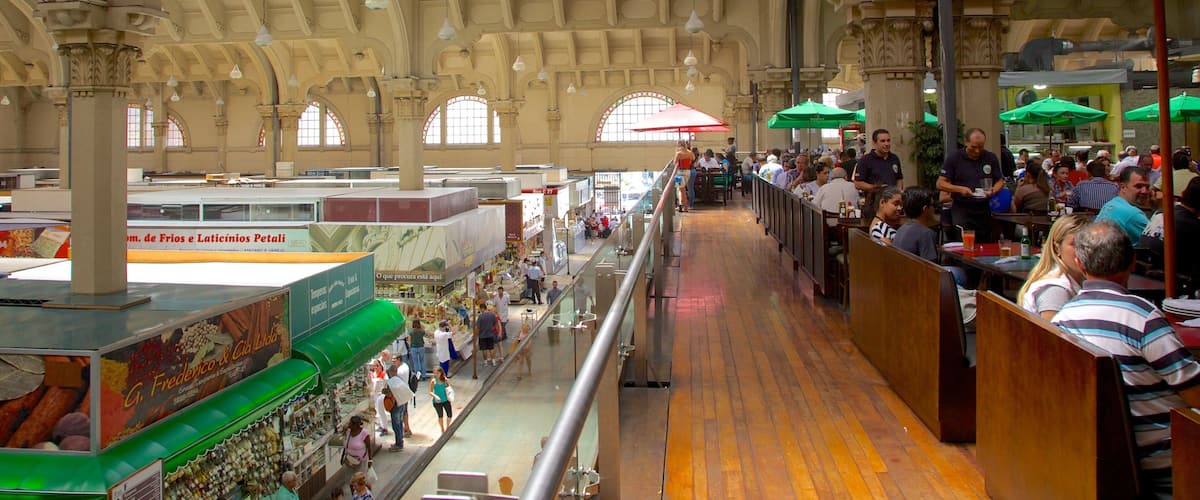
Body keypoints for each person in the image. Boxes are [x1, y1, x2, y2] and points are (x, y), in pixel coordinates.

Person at [1052, 220, 1200, 497]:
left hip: (1101, 452)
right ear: (1133, 262)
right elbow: (1196, 393)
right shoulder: (1142, 317)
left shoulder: (1064, 319)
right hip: (1168, 456)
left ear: (1081, 264)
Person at [937, 128, 1004, 242]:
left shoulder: (990, 157)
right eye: (973, 147)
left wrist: (993, 190)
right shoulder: (955, 158)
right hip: (962, 208)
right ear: (966, 142)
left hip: (983, 208)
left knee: (985, 241)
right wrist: (959, 189)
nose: (977, 151)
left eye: (980, 147)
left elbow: (1000, 181)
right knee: (965, 242)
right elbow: (940, 183)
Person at [1017, 215, 1089, 320]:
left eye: (1087, 244)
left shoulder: (1080, 279)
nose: (1083, 250)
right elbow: (1052, 335)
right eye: (1075, 244)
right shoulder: (1055, 290)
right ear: (1057, 248)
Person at [1139, 176, 1200, 292]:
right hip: (1173, 284)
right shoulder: (1193, 225)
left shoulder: (1160, 214)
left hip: (1145, 277)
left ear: (1183, 194)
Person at [1096, 167, 1151, 243]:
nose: (1145, 191)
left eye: (1147, 187)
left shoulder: (1111, 204)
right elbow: (1162, 240)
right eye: (1138, 186)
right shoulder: (1133, 214)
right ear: (1123, 187)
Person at [892, 187, 941, 262]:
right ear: (925, 209)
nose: (934, 209)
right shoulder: (926, 233)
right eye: (932, 205)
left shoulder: (901, 229)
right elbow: (932, 268)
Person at [854, 129, 905, 195]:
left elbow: (899, 178)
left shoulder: (894, 158)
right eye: (883, 141)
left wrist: (899, 192)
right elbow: (858, 184)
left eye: (888, 140)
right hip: (874, 201)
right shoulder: (865, 160)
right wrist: (874, 188)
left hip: (892, 200)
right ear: (874, 143)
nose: (886, 144)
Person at [385, 364, 413, 450]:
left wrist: (385, 392)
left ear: (391, 372)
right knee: (400, 423)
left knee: (396, 425)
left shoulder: (391, 382)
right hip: (402, 403)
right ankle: (400, 441)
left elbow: (390, 394)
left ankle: (399, 444)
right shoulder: (399, 379)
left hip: (396, 405)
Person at [476, 302, 501, 366]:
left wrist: (476, 334)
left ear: (482, 309)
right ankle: (493, 361)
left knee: (484, 349)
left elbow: (478, 327)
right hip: (490, 334)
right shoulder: (492, 315)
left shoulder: (480, 317)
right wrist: (498, 332)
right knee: (491, 348)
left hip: (482, 335)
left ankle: (485, 362)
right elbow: (496, 324)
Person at [430, 367, 454, 433]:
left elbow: (449, 389)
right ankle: (442, 428)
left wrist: (450, 397)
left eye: (437, 373)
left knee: (449, 414)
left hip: (446, 400)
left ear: (441, 373)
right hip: (437, 401)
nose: (436, 375)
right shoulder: (433, 381)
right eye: (435, 373)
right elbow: (430, 391)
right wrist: (435, 396)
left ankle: (447, 426)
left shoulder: (445, 380)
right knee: (440, 415)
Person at [674, 140, 693, 211]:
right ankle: (684, 206)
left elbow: (674, 162)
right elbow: (693, 158)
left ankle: (683, 206)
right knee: (683, 189)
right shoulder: (689, 152)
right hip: (687, 171)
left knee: (680, 189)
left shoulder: (678, 153)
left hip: (679, 172)